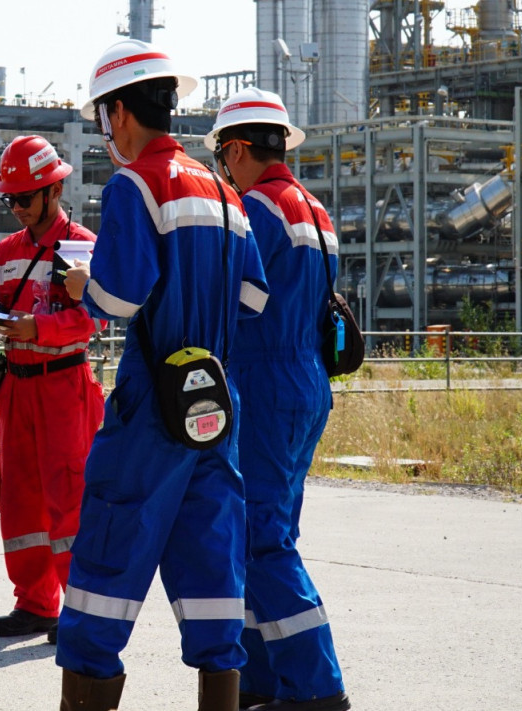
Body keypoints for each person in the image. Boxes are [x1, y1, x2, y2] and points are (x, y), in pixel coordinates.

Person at [58, 39, 270, 711]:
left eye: (102, 117)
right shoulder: (224, 192)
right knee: (210, 560)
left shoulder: (135, 184)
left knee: (107, 557)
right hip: (213, 402)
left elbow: (120, 296)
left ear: (118, 113)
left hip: (152, 403)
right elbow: (253, 299)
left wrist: (79, 284)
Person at [207, 88, 351, 711]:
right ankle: (260, 679)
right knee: (263, 532)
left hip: (265, 380)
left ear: (238, 148)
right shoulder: (315, 210)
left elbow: (240, 301)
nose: (221, 171)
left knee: (263, 539)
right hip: (306, 379)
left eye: (222, 158)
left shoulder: (258, 210)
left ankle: (317, 688)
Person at [0, 135, 105, 641]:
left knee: (68, 497)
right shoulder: (7, 252)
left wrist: (39, 330)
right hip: (18, 390)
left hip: (64, 387)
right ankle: (35, 603)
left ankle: (81, 606)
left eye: (25, 199)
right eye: (11, 200)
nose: (17, 208)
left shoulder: (83, 248)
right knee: (19, 497)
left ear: (54, 190)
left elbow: (94, 318)